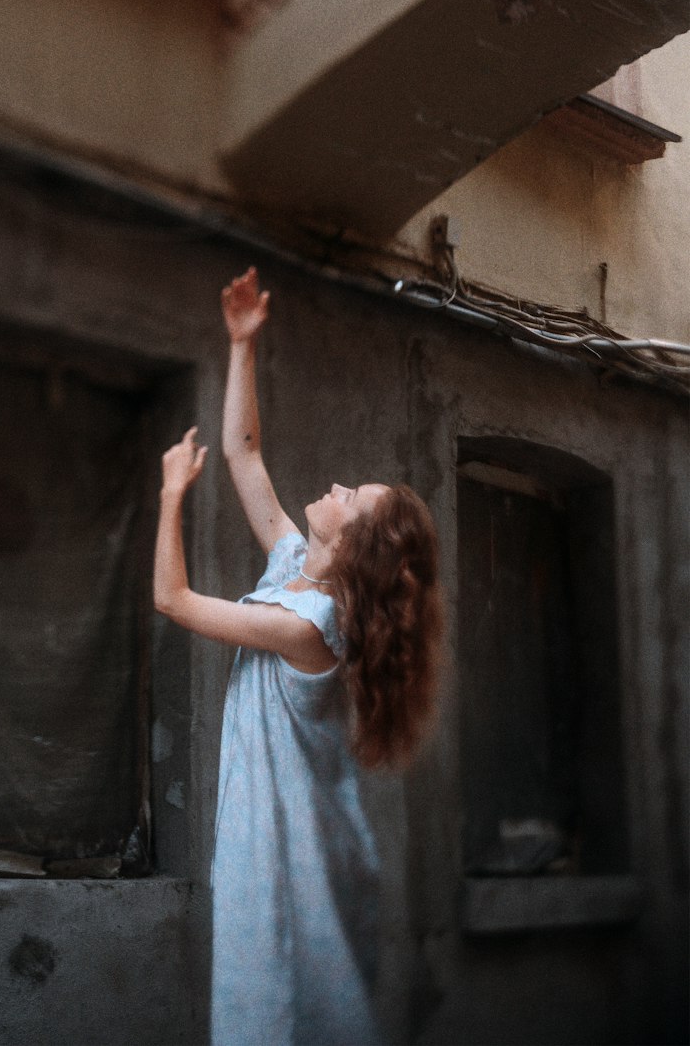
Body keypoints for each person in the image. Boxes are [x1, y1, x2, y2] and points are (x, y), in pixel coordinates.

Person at [154, 268, 446, 1046]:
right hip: (290, 837)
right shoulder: (293, 567)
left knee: (285, 1005)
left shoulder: (310, 623)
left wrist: (171, 499)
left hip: (300, 852)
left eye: (356, 498)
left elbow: (174, 602)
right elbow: (246, 458)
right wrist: (242, 344)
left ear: (351, 543)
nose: (341, 486)